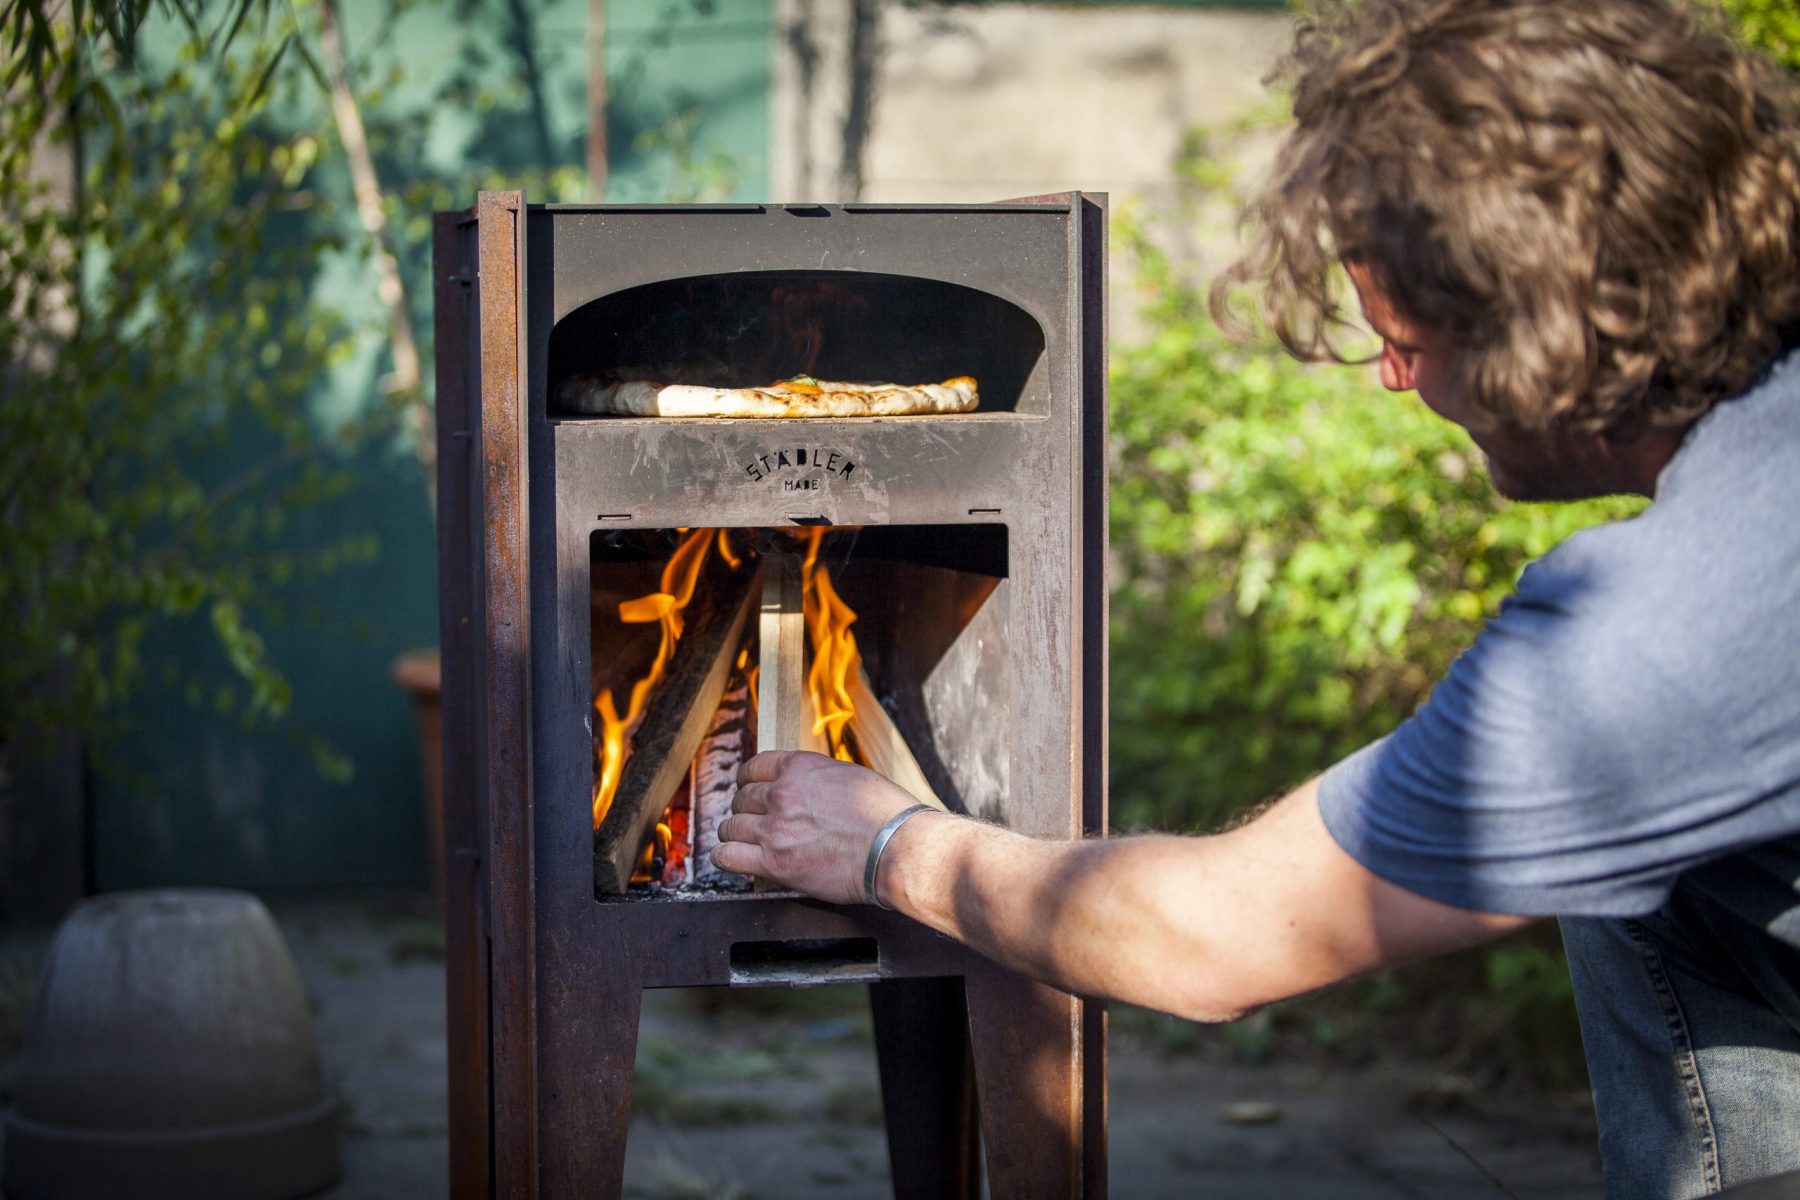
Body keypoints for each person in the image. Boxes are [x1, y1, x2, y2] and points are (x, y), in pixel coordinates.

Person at [711, 1, 1800, 1195]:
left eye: (1408, 340)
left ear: (1544, 325)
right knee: (1656, 870)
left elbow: (1213, 940)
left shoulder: (1665, 631)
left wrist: (883, 843)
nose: (1389, 376)